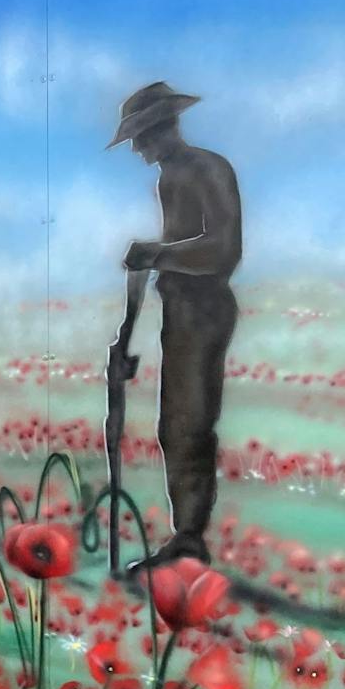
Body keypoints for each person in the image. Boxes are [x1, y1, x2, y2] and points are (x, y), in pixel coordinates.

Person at [109, 82, 241, 567]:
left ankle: (190, 537)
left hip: (205, 311)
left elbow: (223, 252)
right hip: (180, 309)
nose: (140, 149)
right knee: (175, 425)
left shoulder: (209, 169)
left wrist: (158, 253)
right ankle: (185, 534)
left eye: (143, 137)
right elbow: (179, 254)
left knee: (192, 422)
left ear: (166, 127)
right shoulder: (169, 179)